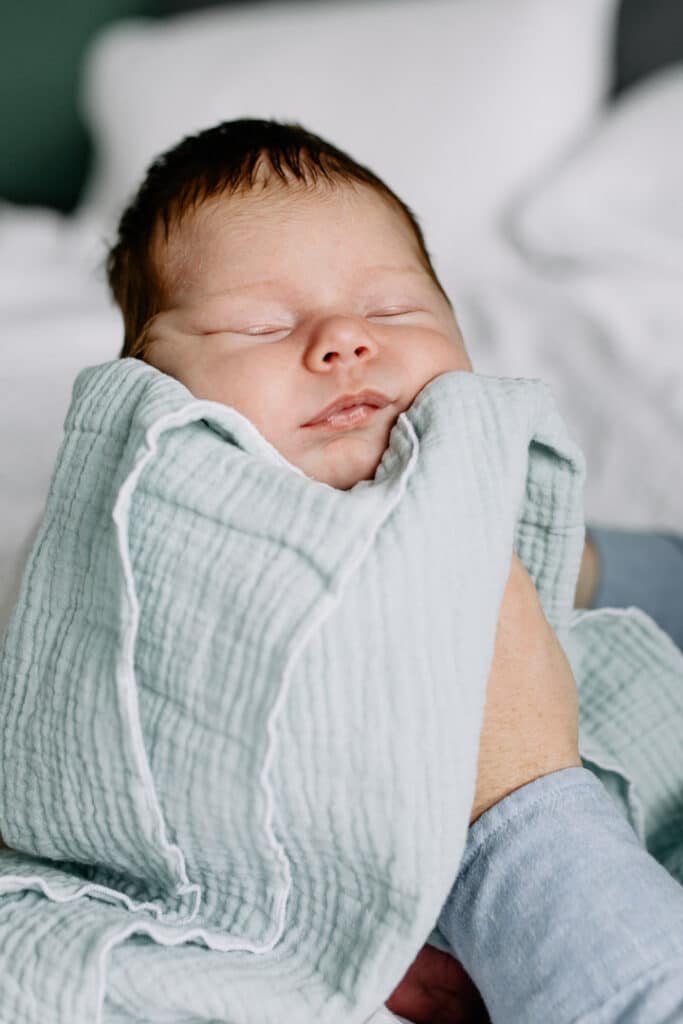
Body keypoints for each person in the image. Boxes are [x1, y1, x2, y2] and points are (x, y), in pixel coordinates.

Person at [101, 118, 683, 1022]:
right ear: (150, 394)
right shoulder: (158, 546)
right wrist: (330, 925)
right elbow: (138, 778)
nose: (343, 339)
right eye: (259, 325)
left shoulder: (475, 473)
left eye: (394, 311)